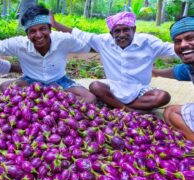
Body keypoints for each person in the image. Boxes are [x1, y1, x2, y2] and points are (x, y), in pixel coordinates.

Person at [51, 11, 179, 112]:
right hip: (114, 88)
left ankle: (117, 106)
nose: (122, 34)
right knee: (95, 86)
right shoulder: (104, 41)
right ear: (111, 34)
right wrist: (55, 25)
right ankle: (128, 109)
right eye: (117, 31)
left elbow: (175, 50)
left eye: (126, 30)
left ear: (133, 30)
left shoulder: (148, 42)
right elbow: (78, 33)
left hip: (140, 90)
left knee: (162, 97)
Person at [0, 5, 97, 103]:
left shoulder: (64, 40)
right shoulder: (18, 44)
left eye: (42, 29)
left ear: (50, 29)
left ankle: (39, 102)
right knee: (4, 87)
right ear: (27, 34)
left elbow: (93, 45)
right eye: (32, 31)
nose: (38, 35)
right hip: (30, 82)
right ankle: (55, 102)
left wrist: (58, 25)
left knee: (90, 98)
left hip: (60, 83)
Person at [153, 16, 194, 141]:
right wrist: (154, 72)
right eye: (177, 41)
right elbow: (176, 72)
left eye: (190, 38)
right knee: (171, 112)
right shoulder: (190, 67)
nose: (183, 45)